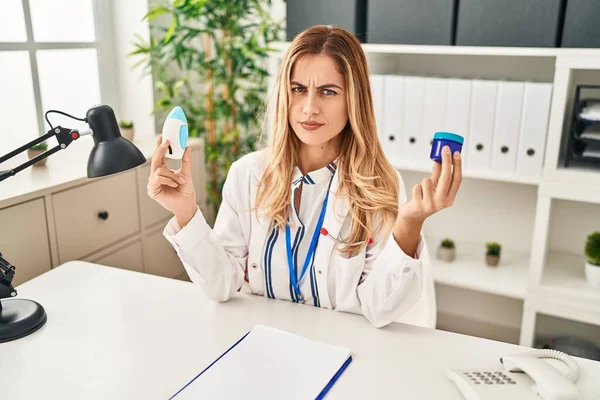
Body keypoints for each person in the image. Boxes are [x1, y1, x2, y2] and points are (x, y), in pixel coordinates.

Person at [148, 25, 462, 328]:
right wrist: (186, 213)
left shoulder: (378, 184)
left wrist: (409, 225)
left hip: (340, 353)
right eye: (298, 89)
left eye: (328, 91)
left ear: (354, 100)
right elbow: (221, 286)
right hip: (259, 345)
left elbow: (379, 309)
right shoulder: (247, 173)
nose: (309, 108)